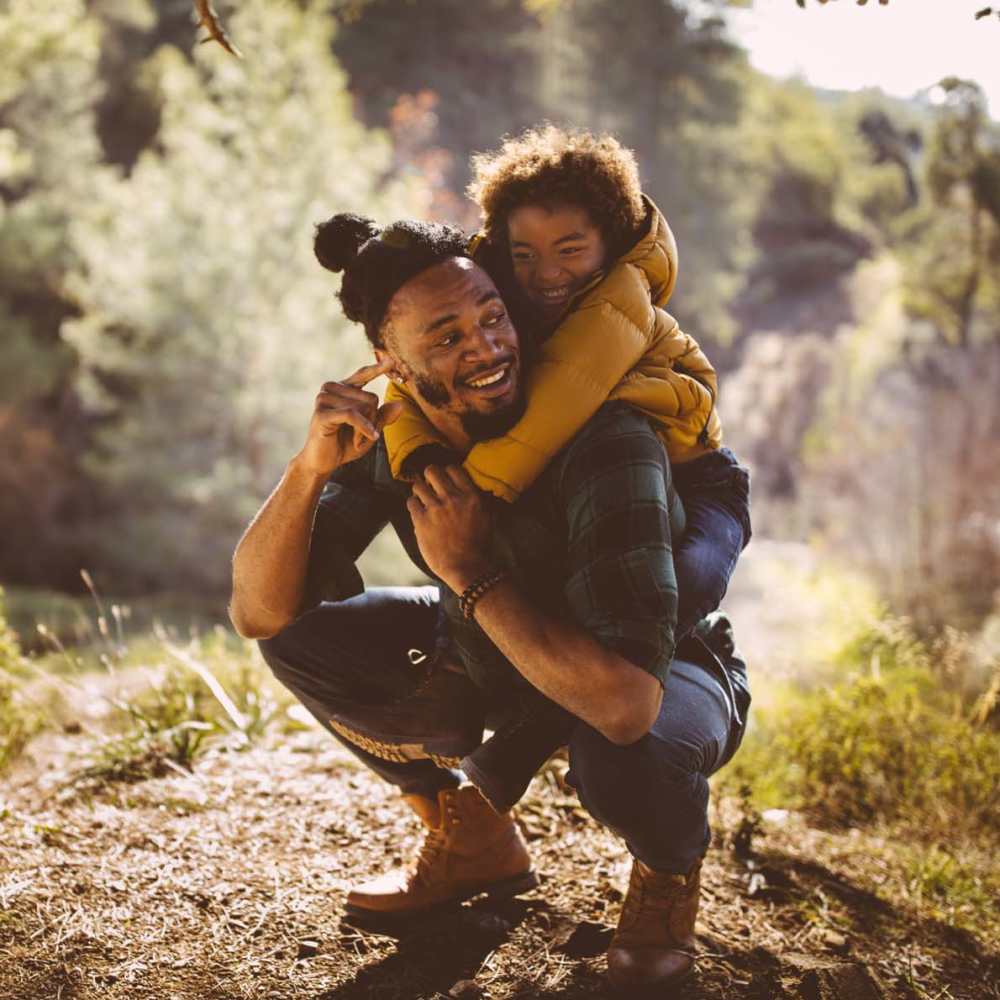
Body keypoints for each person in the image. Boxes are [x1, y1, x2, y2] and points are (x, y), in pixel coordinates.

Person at [229, 214, 749, 991]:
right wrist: (308, 472)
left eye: (493, 317)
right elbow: (258, 614)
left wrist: (470, 574)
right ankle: (468, 837)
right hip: (498, 653)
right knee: (303, 640)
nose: (486, 347)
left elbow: (625, 701)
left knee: (624, 756)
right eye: (445, 337)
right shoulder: (402, 438)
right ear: (391, 364)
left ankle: (667, 874)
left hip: (665, 668)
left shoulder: (607, 440)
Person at [381, 127, 752, 812]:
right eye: (524, 254)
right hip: (646, 476)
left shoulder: (616, 304)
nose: (546, 271)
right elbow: (405, 391)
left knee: (683, 593)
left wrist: (476, 496)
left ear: (610, 243)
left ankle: (537, 735)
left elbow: (550, 414)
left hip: (705, 486)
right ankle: (516, 700)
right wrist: (417, 452)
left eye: (569, 250)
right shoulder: (511, 303)